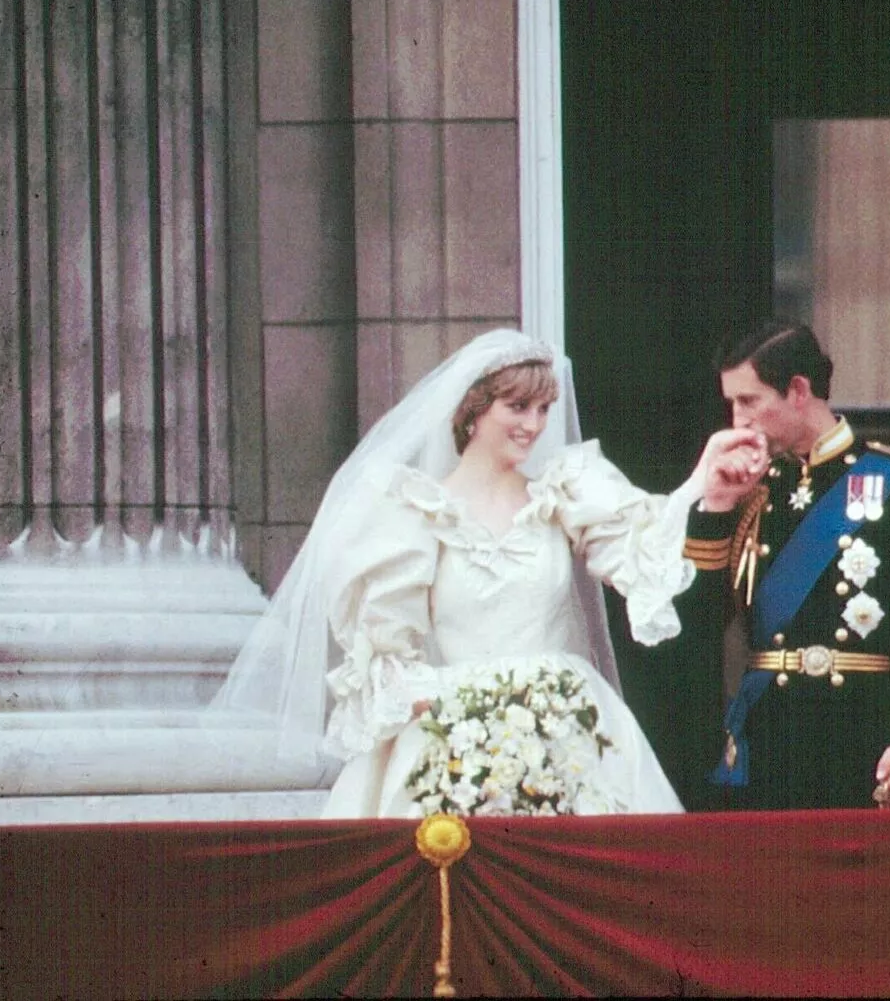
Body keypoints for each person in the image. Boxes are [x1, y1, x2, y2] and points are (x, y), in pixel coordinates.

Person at [210, 328, 764, 818]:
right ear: (473, 410)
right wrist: (474, 716)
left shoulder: (564, 494)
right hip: (455, 743)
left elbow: (646, 551)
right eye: (517, 407)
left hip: (569, 732)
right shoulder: (413, 514)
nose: (533, 425)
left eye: (543, 409)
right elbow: (387, 658)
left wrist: (703, 485)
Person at [677, 319, 890, 810]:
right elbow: (696, 627)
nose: (737, 421)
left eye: (749, 401)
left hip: (865, 738)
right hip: (765, 743)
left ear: (798, 390)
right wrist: (716, 508)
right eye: (732, 404)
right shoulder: (748, 489)